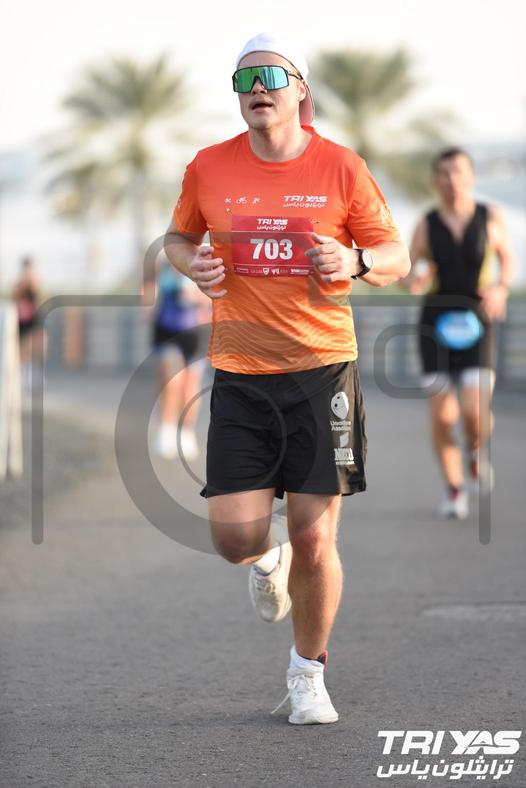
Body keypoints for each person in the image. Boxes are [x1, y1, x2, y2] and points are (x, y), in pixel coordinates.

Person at [164, 32, 410, 725]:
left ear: (300, 88)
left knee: (315, 537)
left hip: (322, 371)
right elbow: (179, 237)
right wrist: (191, 264)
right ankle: (266, 561)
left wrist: (355, 261)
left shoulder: (341, 167)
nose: (256, 90)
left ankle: (308, 674)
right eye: (243, 80)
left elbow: (395, 254)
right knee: (234, 540)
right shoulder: (209, 167)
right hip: (241, 374)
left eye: (270, 76)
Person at [403, 148, 515, 518]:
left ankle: (476, 451)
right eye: (445, 172)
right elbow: (407, 270)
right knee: (442, 416)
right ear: (436, 180)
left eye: (459, 171)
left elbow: (508, 259)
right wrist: (414, 279)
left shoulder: (489, 216)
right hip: (434, 324)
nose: (452, 179)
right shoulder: (427, 223)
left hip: (478, 320)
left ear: (471, 177)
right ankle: (454, 490)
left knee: (474, 411)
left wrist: (501, 288)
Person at [143, 255, 210, 460]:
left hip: (196, 334)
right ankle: (166, 429)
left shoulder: (202, 266)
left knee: (191, 384)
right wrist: (147, 305)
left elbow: (214, 298)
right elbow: (148, 291)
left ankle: (186, 432)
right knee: (172, 381)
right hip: (168, 332)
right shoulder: (162, 267)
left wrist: (196, 297)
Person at [12, 256, 45, 389]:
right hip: (22, 320)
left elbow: (39, 297)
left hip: (34, 319)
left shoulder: (35, 282)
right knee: (22, 349)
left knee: (38, 345)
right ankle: (24, 374)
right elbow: (15, 297)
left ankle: (34, 373)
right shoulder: (19, 284)